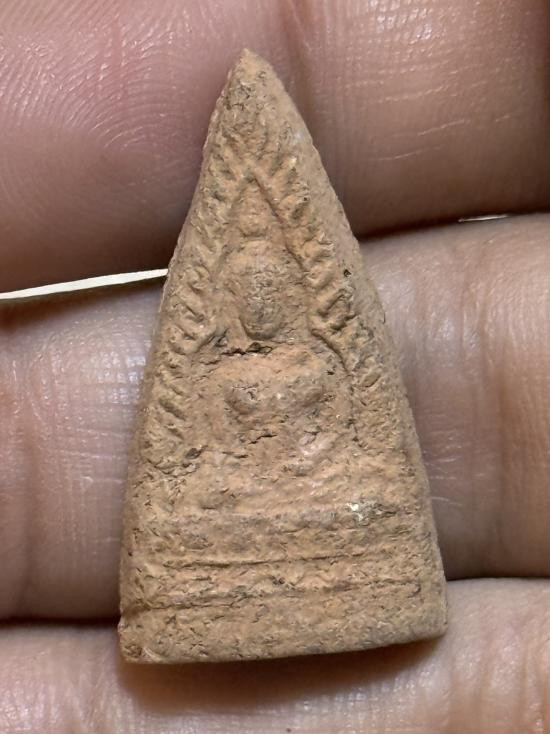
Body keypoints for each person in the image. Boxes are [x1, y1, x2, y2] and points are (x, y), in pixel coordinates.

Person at [1, 1, 549, 731]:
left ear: (291, 295)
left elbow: (344, 440)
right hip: (242, 496)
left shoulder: (315, 362)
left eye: (272, 291)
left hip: (318, 487)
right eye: (248, 294)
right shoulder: (225, 374)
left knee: (366, 493)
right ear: (232, 302)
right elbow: (208, 454)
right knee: (192, 506)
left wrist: (315, 467)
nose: (261, 304)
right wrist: (230, 478)